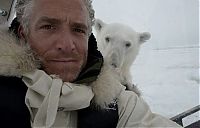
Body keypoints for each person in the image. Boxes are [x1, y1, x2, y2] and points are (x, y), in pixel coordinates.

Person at [0, 0, 182, 127]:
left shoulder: (117, 102)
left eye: (78, 29)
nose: (67, 45)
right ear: (23, 33)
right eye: (49, 27)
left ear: (88, 37)